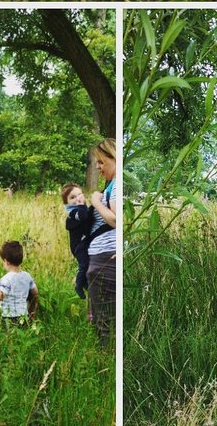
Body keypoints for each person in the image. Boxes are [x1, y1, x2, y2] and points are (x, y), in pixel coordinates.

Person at [86, 138, 119, 344]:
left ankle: (104, 355)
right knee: (102, 313)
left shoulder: (116, 185)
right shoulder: (111, 185)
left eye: (100, 161)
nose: (98, 167)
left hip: (106, 257)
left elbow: (115, 219)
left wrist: (96, 202)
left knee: (103, 317)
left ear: (113, 157)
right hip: (102, 256)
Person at [0, 240, 38, 326]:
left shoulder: (7, 279)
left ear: (6, 261)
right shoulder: (27, 276)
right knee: (22, 335)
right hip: (24, 315)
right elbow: (35, 292)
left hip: (9, 316)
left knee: (8, 337)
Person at [61, 182, 93, 299]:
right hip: (78, 246)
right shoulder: (73, 212)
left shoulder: (82, 208)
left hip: (84, 244)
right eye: (72, 198)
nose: (77, 199)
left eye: (79, 195)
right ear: (66, 202)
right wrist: (81, 204)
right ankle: (78, 285)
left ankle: (84, 283)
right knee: (84, 264)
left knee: (89, 264)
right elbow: (83, 216)